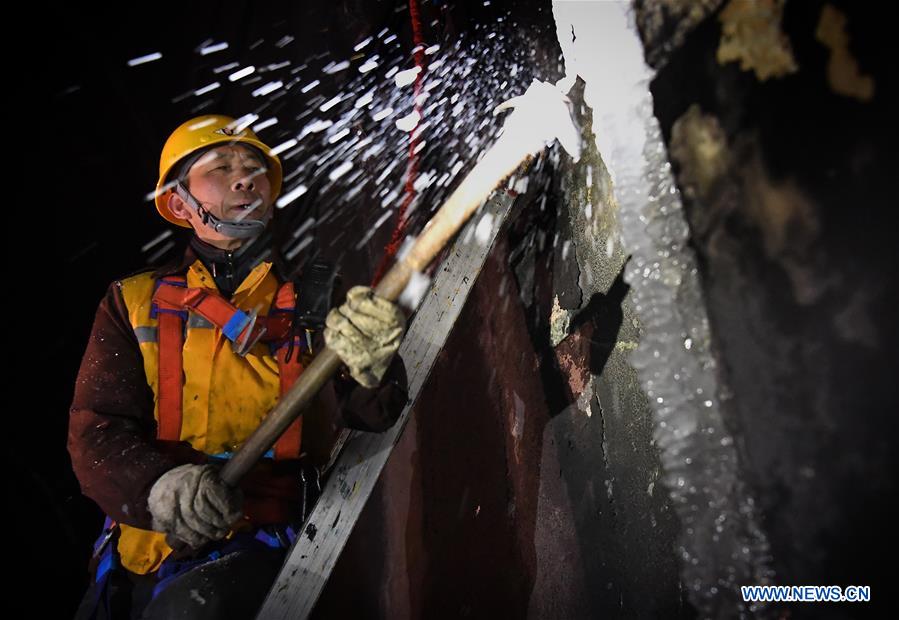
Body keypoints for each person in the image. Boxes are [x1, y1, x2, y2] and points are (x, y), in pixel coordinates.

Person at [69, 114, 409, 619]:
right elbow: (96, 432)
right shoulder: (132, 302)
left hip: (267, 548)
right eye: (220, 167)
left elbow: (371, 412)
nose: (245, 177)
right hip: (145, 553)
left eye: (254, 168)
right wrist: (160, 488)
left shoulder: (313, 300)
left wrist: (374, 367)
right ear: (179, 203)